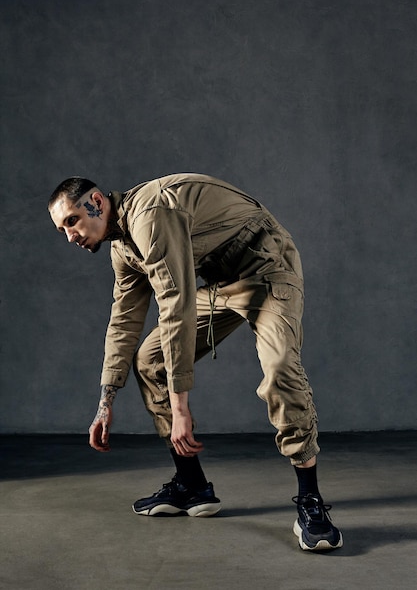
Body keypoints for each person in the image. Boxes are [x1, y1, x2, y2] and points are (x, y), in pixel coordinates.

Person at [48, 172, 342, 551]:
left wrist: (180, 406)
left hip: (267, 269)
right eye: (62, 230)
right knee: (149, 360)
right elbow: (123, 320)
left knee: (281, 367)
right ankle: (192, 486)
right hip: (222, 285)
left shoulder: (148, 214)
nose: (70, 235)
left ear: (97, 202)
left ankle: (311, 501)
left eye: (72, 220)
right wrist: (105, 403)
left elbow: (175, 305)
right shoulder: (122, 248)